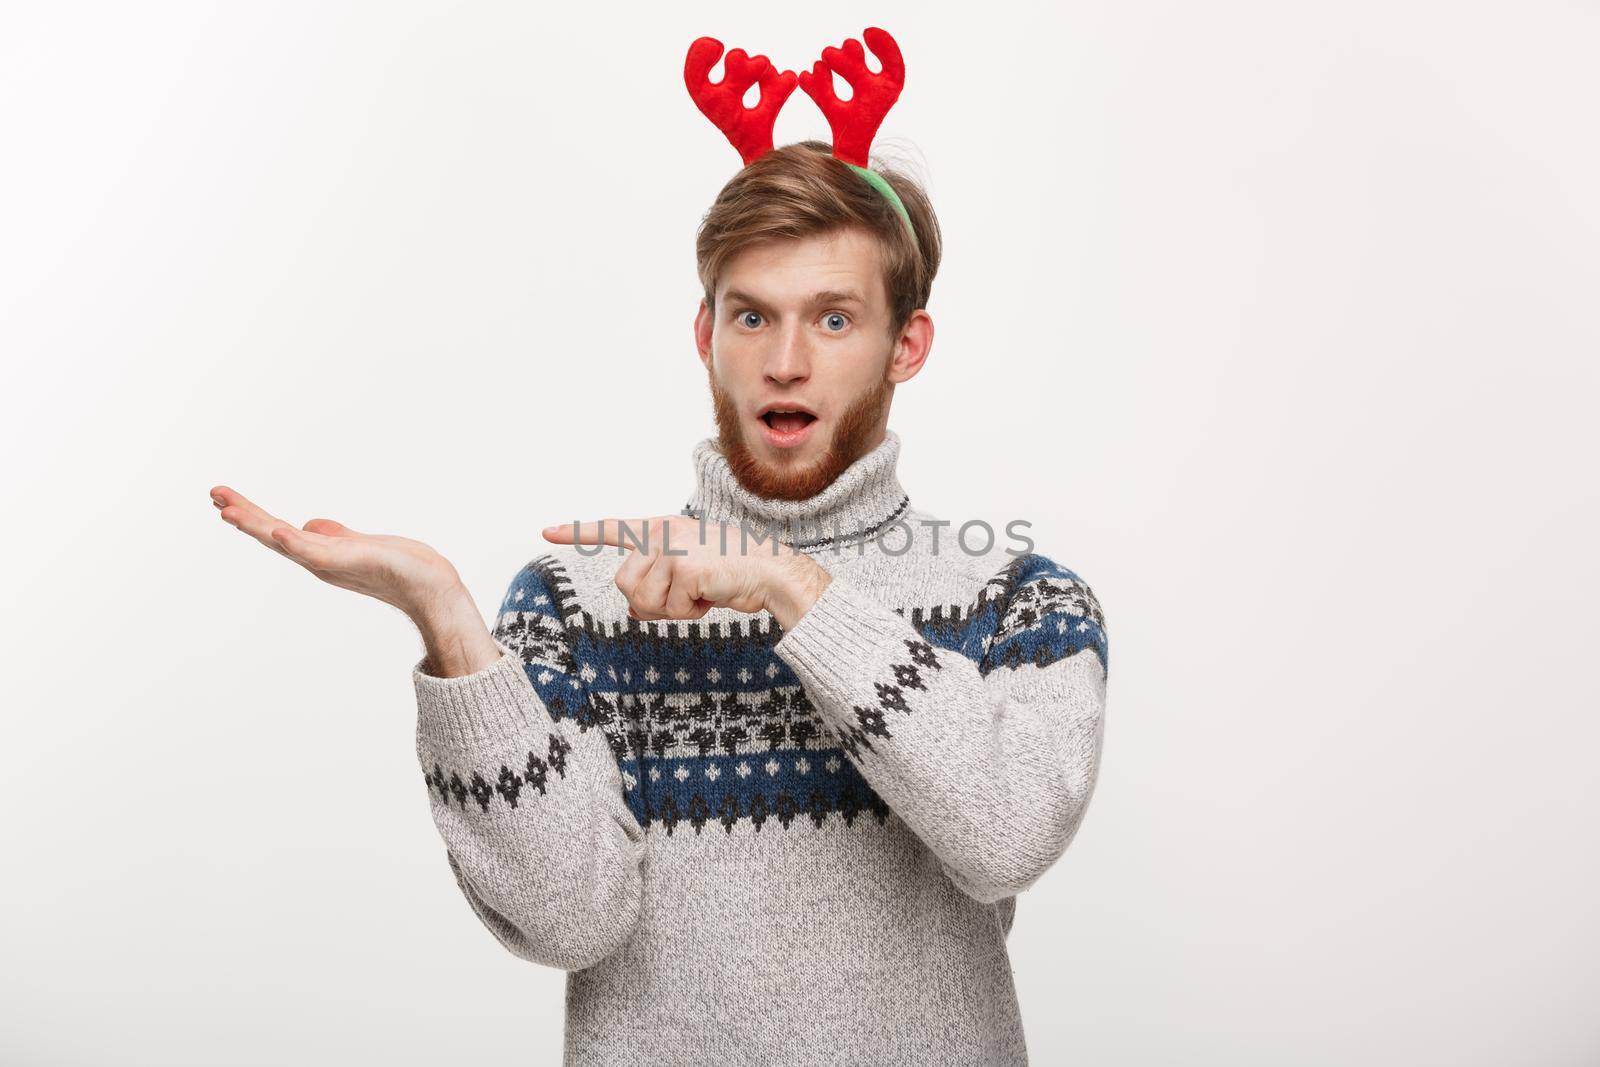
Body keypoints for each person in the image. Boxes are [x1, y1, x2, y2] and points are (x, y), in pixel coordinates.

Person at [210, 40, 1109, 1067]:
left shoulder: (1019, 599)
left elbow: (1005, 836)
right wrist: (451, 628)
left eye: (833, 317)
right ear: (704, 332)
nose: (783, 360)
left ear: (906, 344)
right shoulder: (572, 601)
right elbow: (565, 920)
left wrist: (794, 586)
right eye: (752, 315)